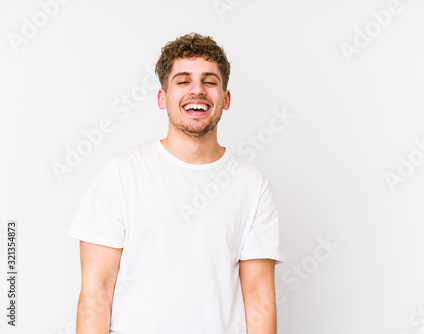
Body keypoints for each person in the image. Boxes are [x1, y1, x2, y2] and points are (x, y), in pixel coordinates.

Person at [67, 32, 286, 333]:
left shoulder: (252, 186)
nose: (197, 90)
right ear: (162, 97)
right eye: (183, 81)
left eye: (210, 81)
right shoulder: (121, 174)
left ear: (226, 98)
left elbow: (259, 297)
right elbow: (96, 292)